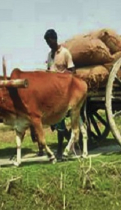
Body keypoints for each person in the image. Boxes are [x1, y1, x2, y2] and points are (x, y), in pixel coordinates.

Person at [44, 29, 75, 158]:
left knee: (59, 120)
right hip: (52, 92)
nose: (48, 44)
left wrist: (60, 77)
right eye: (47, 42)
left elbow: (72, 71)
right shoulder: (49, 55)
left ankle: (59, 150)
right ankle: (70, 140)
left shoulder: (65, 53)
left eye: (49, 41)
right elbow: (48, 71)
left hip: (63, 92)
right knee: (53, 120)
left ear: (55, 39)